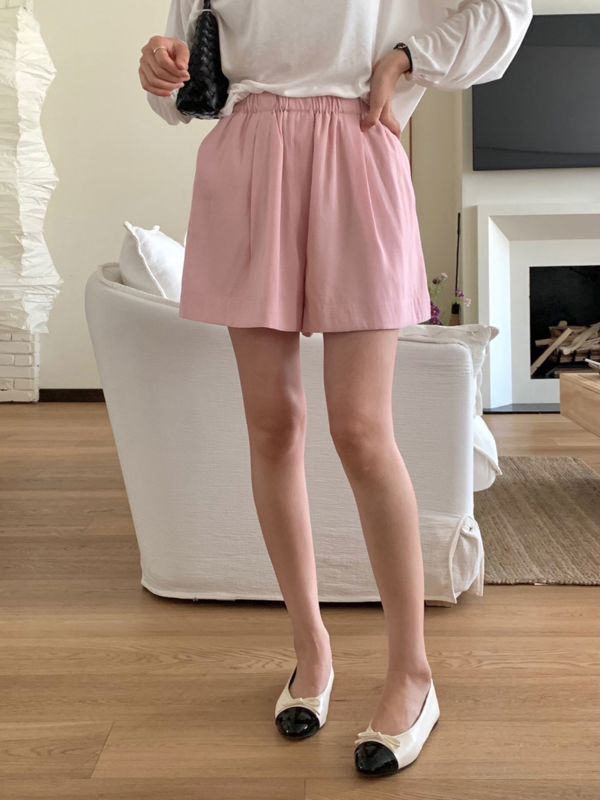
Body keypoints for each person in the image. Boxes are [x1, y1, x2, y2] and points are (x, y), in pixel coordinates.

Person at [139, 0, 533, 777]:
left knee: (360, 429)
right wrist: (161, 69)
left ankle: (412, 673)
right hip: (247, 155)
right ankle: (310, 647)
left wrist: (408, 58)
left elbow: (505, 11)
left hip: (357, 141)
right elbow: (184, 86)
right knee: (272, 425)